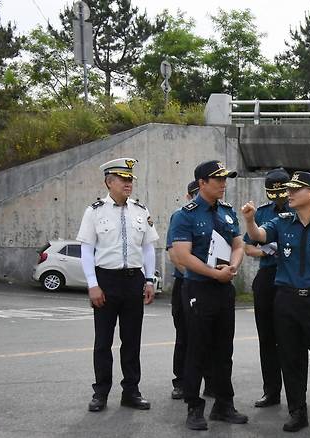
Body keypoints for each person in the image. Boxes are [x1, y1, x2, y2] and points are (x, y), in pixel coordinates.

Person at [242, 171, 310, 434]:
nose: (289, 194)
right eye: (288, 189)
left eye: (295, 189)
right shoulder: (281, 222)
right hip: (285, 300)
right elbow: (258, 236)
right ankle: (297, 412)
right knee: (291, 359)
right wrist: (249, 219)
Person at [170, 160, 248, 430]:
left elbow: (239, 245)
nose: (223, 184)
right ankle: (194, 406)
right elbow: (182, 255)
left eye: (225, 179)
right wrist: (215, 274)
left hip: (224, 289)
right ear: (202, 183)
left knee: (224, 349)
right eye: (217, 179)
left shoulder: (227, 212)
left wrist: (234, 266)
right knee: (197, 348)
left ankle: (224, 404)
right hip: (199, 289)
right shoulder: (185, 215)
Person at [76, 157, 159, 413]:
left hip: (134, 280)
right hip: (106, 281)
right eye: (123, 179)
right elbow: (87, 250)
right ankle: (100, 392)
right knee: (103, 341)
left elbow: (148, 247)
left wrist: (149, 279)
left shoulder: (140, 210)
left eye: (130, 180)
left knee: (132, 341)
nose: (128, 184)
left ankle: (131, 392)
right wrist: (92, 284)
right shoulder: (95, 211)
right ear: (108, 182)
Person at [243, 168, 291, 408]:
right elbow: (247, 247)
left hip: (291, 277)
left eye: (282, 192)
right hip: (268, 274)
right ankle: (271, 391)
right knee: (267, 338)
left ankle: (295, 394)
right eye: (273, 193)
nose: (278, 198)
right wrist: (267, 250)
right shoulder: (261, 213)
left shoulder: (298, 210)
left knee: (292, 339)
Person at [166, 180, 213, 400]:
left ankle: (211, 382)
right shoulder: (181, 216)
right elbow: (175, 255)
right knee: (185, 334)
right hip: (187, 283)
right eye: (193, 194)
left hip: (211, 284)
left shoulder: (218, 213)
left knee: (211, 337)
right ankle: (181, 381)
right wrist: (194, 275)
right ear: (188, 196)